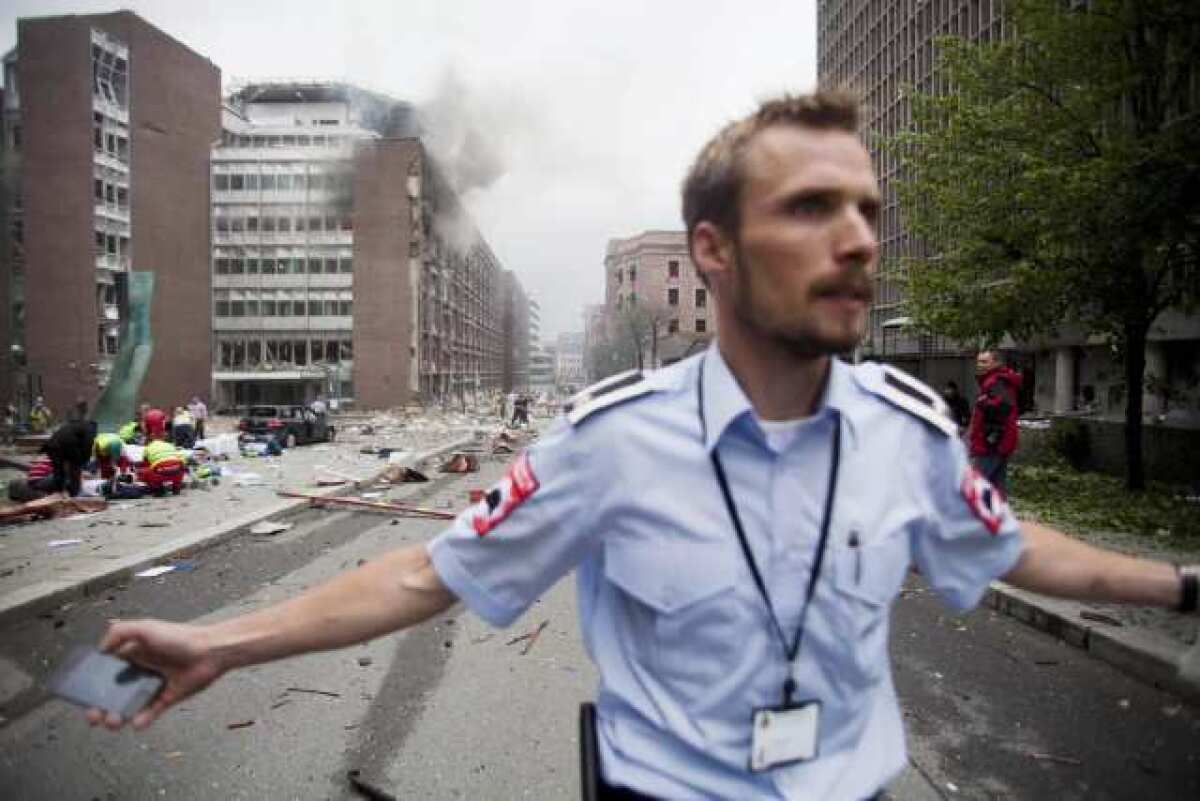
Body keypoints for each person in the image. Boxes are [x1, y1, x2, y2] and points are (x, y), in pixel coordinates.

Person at [87, 92, 1198, 801]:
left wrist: (1183, 585)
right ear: (712, 251)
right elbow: (428, 572)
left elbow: (1015, 549)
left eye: (864, 208)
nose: (859, 239)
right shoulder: (614, 441)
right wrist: (227, 641)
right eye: (813, 208)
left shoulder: (905, 433)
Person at [966, 350, 1022, 494]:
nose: (980, 365)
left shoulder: (995, 381)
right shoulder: (996, 380)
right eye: (979, 361)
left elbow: (1004, 407)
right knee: (996, 487)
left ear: (996, 363)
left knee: (976, 487)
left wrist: (982, 402)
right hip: (997, 442)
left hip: (991, 443)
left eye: (985, 362)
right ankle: (999, 515)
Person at [42, 419, 96, 497]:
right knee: (75, 470)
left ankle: (59, 492)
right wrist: (84, 461)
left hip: (52, 445)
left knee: (59, 471)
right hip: (68, 445)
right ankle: (76, 494)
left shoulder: (73, 426)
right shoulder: (90, 429)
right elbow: (87, 445)